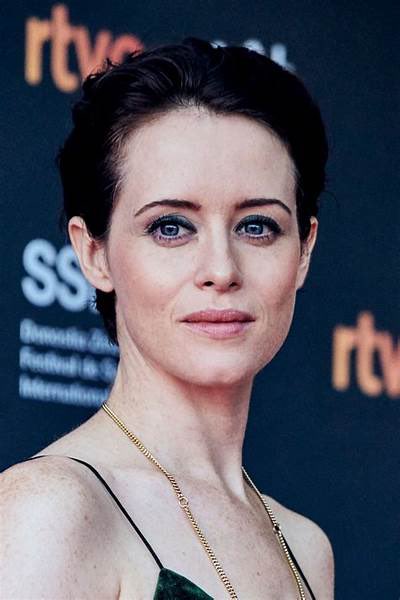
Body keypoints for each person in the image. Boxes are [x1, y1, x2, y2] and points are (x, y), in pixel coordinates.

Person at [1, 38, 334, 599]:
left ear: (303, 251)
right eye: (171, 227)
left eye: (257, 226)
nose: (221, 269)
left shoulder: (307, 548)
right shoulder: (51, 509)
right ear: (94, 254)